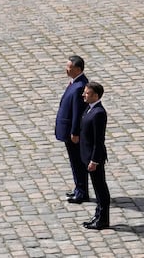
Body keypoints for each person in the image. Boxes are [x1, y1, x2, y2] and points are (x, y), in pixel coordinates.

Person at [55, 55, 89, 203]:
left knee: (77, 162)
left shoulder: (80, 86)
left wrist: (75, 132)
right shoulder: (75, 83)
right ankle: (78, 188)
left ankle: (81, 192)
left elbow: (78, 112)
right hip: (68, 130)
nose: (66, 70)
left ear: (78, 69)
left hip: (72, 132)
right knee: (74, 162)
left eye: (69, 67)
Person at [80, 82, 110, 230]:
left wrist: (94, 160)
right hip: (87, 155)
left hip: (94, 158)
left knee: (100, 189)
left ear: (95, 96)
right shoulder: (90, 108)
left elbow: (98, 140)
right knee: (97, 188)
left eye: (87, 93)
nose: (83, 95)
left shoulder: (98, 113)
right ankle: (98, 215)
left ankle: (103, 219)